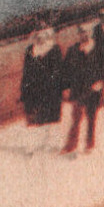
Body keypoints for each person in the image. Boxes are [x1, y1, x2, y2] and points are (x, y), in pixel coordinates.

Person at [61, 29, 104, 154]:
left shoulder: (98, 48)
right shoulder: (72, 50)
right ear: (79, 35)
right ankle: (71, 145)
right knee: (76, 117)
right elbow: (65, 70)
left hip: (94, 89)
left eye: (86, 33)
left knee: (91, 117)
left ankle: (89, 144)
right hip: (78, 89)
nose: (84, 35)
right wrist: (66, 87)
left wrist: (101, 82)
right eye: (82, 33)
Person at [19, 26, 65, 155]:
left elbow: (57, 71)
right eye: (36, 35)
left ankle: (53, 144)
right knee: (33, 119)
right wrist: (24, 90)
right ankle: (31, 146)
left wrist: (56, 87)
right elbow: (26, 71)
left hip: (51, 91)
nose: (39, 38)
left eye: (42, 35)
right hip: (33, 91)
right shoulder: (30, 50)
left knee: (52, 118)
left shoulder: (54, 49)